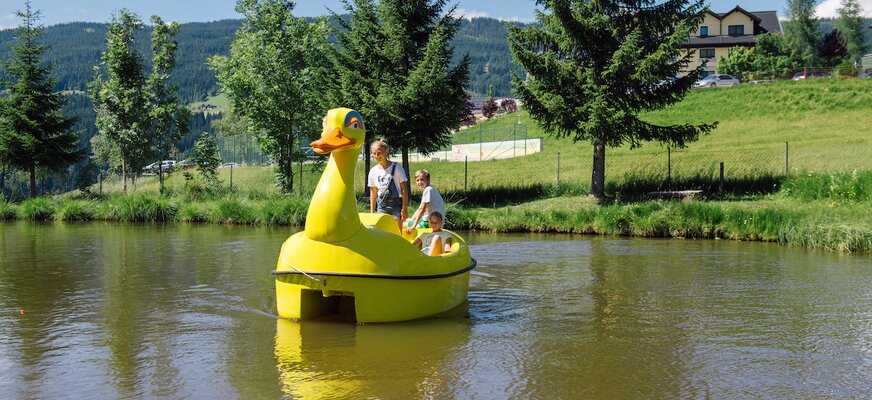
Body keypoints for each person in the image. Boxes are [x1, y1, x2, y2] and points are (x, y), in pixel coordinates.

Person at [368, 140, 408, 231]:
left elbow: (403, 188)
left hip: (396, 205)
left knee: (397, 231)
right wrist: (372, 212)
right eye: (374, 153)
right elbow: (373, 193)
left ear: (386, 152)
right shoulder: (373, 171)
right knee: (381, 231)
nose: (377, 156)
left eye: (379, 153)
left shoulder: (396, 167)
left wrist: (404, 208)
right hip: (382, 205)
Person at [405, 169, 446, 234]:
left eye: (422, 179)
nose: (419, 182)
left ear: (428, 180)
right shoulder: (431, 188)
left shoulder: (428, 190)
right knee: (408, 220)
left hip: (430, 223)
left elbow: (422, 209)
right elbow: (420, 208)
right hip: (437, 221)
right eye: (417, 180)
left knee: (403, 225)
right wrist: (412, 219)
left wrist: (413, 226)